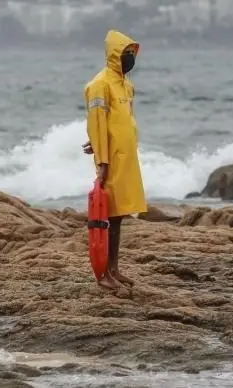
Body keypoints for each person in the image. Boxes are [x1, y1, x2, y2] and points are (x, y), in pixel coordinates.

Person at [82, 29, 147, 291]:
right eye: (126, 53)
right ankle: (103, 274)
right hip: (111, 160)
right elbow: (97, 123)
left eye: (132, 53)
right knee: (107, 217)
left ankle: (115, 269)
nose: (130, 58)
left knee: (119, 216)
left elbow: (122, 122)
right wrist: (102, 160)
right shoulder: (100, 84)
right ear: (114, 54)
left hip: (127, 157)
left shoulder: (126, 85)